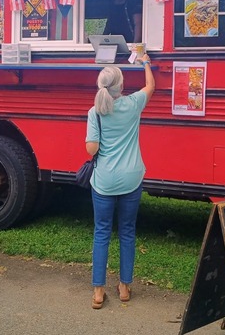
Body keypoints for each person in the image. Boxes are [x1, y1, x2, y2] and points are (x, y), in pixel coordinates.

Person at [86, 53, 154, 309]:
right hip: (132, 179)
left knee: (101, 233)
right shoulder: (134, 103)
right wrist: (145, 62)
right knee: (127, 232)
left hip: (104, 182)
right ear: (121, 86)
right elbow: (151, 87)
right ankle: (124, 287)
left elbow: (91, 150)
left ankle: (98, 292)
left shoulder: (95, 112)